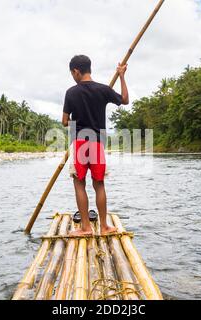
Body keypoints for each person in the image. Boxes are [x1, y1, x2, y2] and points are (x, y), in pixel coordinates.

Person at [62, 55, 129, 236]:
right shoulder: (103, 90)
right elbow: (124, 99)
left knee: (79, 184)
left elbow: (64, 121)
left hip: (81, 142)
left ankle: (86, 227)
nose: (73, 77)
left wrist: (77, 120)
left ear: (76, 71)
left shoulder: (71, 92)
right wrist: (121, 75)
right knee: (99, 184)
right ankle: (105, 226)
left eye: (72, 74)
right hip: (98, 143)